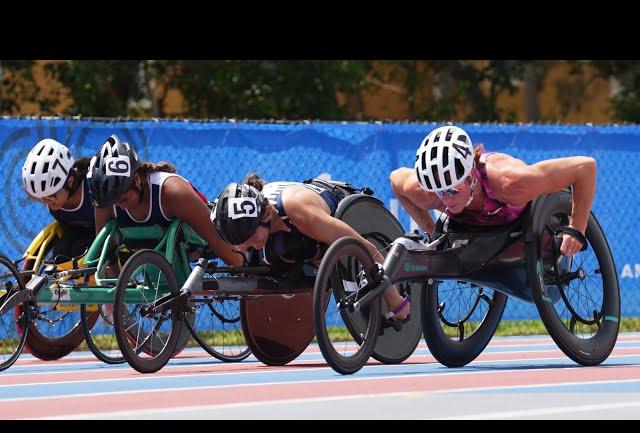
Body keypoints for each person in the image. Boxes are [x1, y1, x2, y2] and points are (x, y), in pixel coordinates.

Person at [212, 175, 411, 323]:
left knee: (288, 248)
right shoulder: (254, 225)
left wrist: (395, 300)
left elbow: (365, 247)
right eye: (241, 242)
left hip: (334, 209)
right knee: (270, 256)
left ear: (264, 216)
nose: (248, 246)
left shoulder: (300, 211)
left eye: (250, 237)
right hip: (289, 232)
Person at [389, 125, 596, 257]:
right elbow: (395, 179)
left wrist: (577, 228)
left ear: (470, 176)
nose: (446, 199)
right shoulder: (426, 193)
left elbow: (585, 168)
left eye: (452, 190)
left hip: (518, 217)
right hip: (476, 226)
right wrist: (430, 229)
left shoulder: (510, 182)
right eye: (439, 191)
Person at [87, 134, 240, 267]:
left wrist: (243, 273)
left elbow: (215, 237)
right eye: (112, 200)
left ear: (136, 179)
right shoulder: (106, 200)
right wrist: (117, 293)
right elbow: (105, 253)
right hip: (156, 249)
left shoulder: (173, 192)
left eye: (122, 196)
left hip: (203, 233)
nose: (118, 204)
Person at [22, 138, 95, 261]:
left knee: (80, 249)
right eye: (43, 197)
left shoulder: (92, 188)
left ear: (70, 182)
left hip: (102, 233)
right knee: (60, 252)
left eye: (51, 195)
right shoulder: (48, 194)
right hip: (75, 232)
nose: (47, 201)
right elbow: (30, 192)